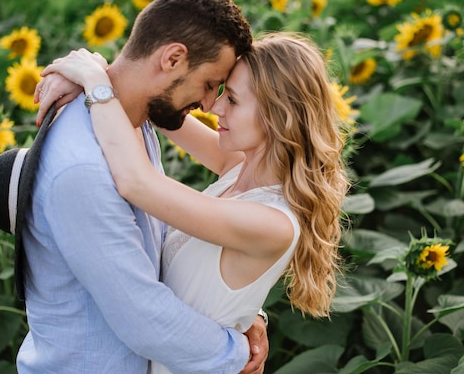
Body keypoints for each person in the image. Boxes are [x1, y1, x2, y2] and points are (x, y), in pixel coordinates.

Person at [37, 32, 349, 374]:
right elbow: (153, 102)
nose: (215, 107)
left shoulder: (272, 223)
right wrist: (92, 68)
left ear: (278, 115)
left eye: (231, 98)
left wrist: (94, 81)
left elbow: (136, 182)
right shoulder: (237, 167)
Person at [19, 0, 270, 374]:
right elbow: (143, 317)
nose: (208, 104)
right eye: (208, 84)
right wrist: (236, 352)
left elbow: (154, 252)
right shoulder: (85, 166)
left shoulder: (128, 124)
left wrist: (237, 311)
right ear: (172, 58)